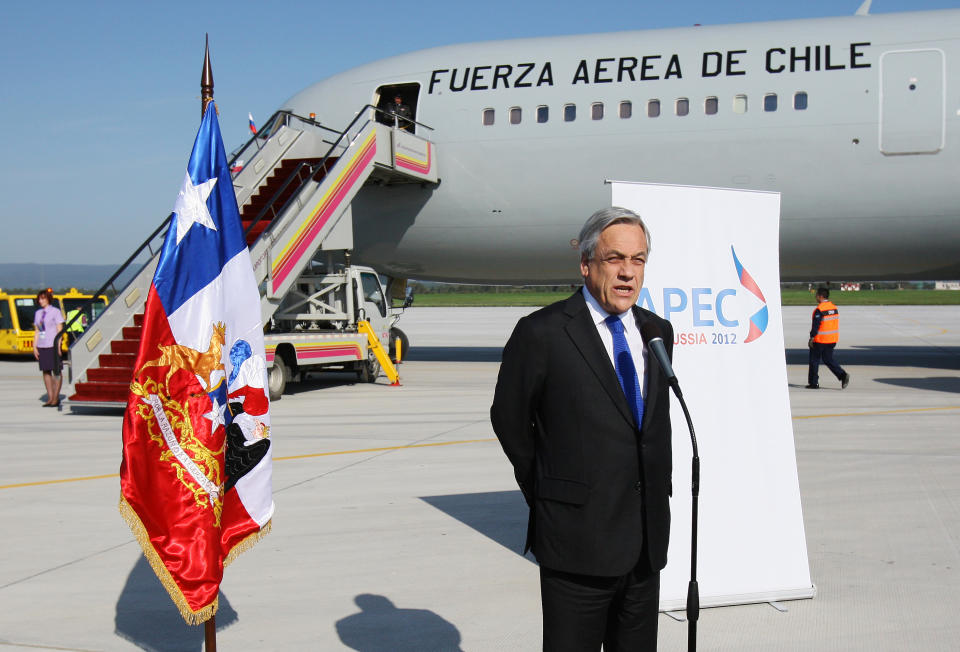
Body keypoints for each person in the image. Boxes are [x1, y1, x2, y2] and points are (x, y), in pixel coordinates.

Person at [491, 207, 674, 651]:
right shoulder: (543, 332)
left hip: (645, 543)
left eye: (639, 260)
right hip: (576, 542)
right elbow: (510, 420)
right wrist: (551, 491)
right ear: (586, 264)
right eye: (615, 259)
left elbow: (647, 429)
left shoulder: (658, 331)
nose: (629, 273)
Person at [807, 287, 850, 390]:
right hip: (832, 339)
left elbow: (816, 326)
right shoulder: (833, 308)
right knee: (828, 359)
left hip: (820, 340)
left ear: (820, 296)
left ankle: (814, 383)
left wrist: (812, 337)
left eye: (817, 295)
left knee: (814, 361)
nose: (816, 297)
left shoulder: (820, 310)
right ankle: (842, 375)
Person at [33, 288, 64, 407]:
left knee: (56, 371)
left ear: (48, 299)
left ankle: (56, 397)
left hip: (52, 344)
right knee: (46, 371)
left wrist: (58, 346)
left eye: (43, 298)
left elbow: (59, 330)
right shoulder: (38, 313)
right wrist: (34, 346)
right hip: (42, 345)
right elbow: (37, 331)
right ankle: (50, 397)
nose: (41, 301)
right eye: (39, 299)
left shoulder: (55, 312)